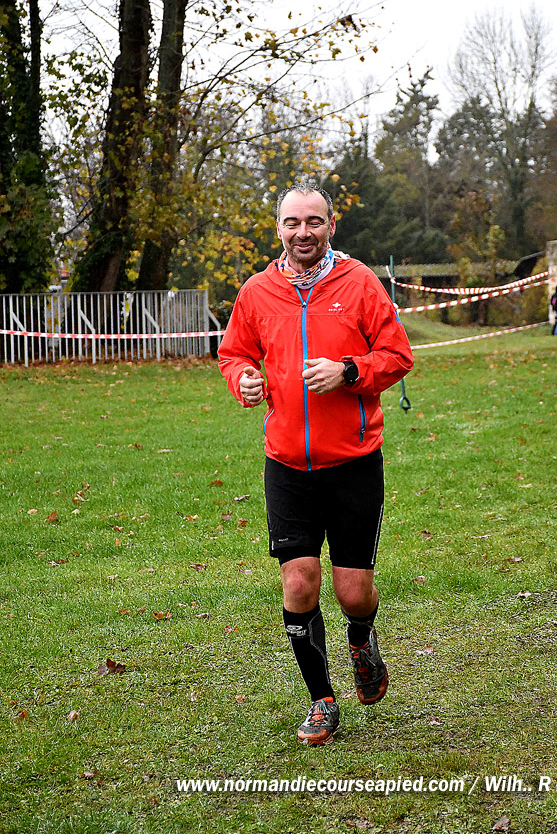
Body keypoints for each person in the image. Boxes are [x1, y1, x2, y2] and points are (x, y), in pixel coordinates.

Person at [218, 181, 414, 746]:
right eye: (292, 222)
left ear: (331, 225)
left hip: (353, 462)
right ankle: (322, 700)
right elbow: (233, 353)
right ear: (279, 228)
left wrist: (349, 371)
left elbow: (397, 356)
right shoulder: (257, 291)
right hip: (287, 464)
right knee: (299, 582)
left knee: (353, 593)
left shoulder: (360, 284)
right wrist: (243, 379)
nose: (302, 232)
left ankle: (362, 637)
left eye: (313, 221)